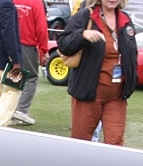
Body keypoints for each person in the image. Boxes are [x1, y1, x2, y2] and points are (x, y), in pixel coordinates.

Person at [56, 0, 138, 144]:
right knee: (80, 143)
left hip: (117, 96)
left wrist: (131, 81)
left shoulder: (125, 19)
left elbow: (132, 52)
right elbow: (63, 44)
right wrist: (82, 35)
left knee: (115, 143)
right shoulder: (85, 16)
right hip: (88, 93)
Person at [11, 0, 49, 125]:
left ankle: (10, 110)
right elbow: (41, 28)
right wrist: (44, 49)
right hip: (28, 44)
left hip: (10, 43)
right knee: (31, 78)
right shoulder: (36, 3)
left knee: (13, 78)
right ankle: (21, 110)